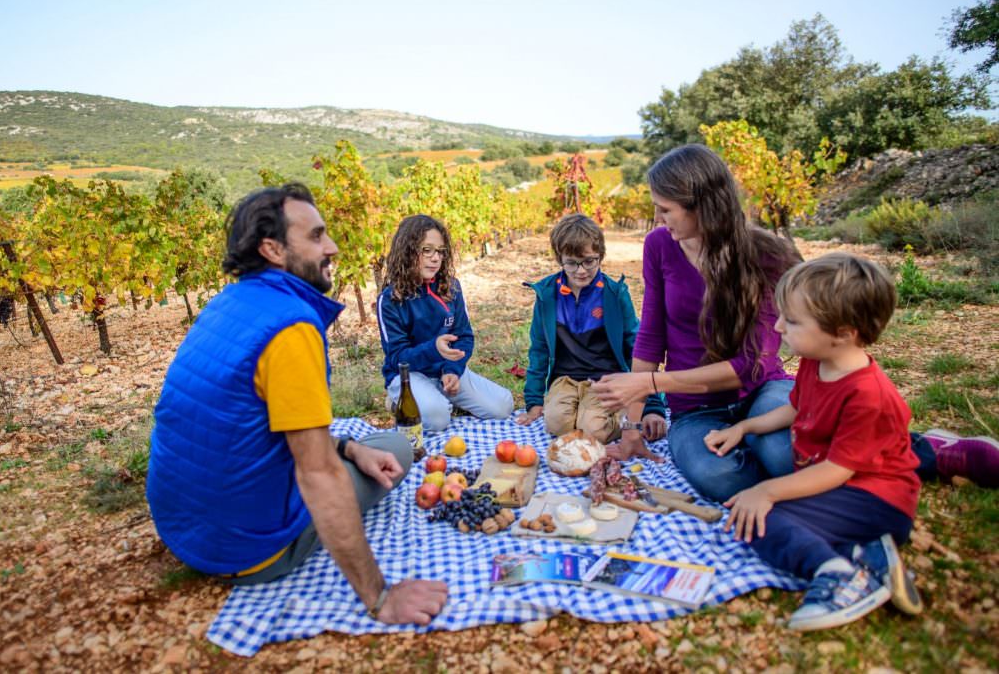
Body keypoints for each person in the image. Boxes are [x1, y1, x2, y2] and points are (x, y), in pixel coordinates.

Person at [146, 184, 447, 625]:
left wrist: (346, 448)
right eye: (316, 236)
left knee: (361, 444)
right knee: (398, 450)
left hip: (185, 530)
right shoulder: (292, 328)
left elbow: (252, 420)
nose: (333, 247)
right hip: (247, 549)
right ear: (272, 249)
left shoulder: (228, 303)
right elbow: (317, 474)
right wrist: (380, 598)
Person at [705, 253, 922, 631]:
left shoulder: (869, 396)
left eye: (792, 320)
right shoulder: (814, 360)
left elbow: (837, 472)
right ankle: (867, 555)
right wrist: (745, 428)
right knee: (753, 517)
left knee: (760, 517)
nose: (779, 326)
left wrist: (768, 491)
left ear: (843, 332)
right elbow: (793, 408)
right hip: (838, 489)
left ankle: (838, 574)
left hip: (876, 499)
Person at [593, 144, 801, 495]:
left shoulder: (764, 254)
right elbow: (651, 336)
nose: (658, 219)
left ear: (702, 206)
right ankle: (784, 481)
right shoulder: (659, 245)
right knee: (718, 475)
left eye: (666, 209)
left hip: (763, 391)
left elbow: (752, 364)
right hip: (695, 410)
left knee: (784, 454)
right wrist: (631, 427)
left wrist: (652, 384)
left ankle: (907, 449)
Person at [516, 213, 667, 442]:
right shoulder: (547, 295)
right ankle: (582, 410)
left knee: (594, 431)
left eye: (589, 261)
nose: (581, 271)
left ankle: (620, 409)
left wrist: (652, 406)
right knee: (556, 423)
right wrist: (534, 401)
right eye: (572, 263)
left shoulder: (614, 294)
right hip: (565, 379)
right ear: (560, 259)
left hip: (605, 379)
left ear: (601, 256)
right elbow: (539, 349)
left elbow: (636, 347)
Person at [376, 215, 514, 431]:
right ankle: (399, 401)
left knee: (503, 406)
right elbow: (396, 358)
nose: (435, 258)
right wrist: (434, 349)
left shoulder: (452, 288)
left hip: (444, 371)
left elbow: (464, 337)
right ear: (407, 251)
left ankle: (438, 395)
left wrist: (452, 369)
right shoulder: (391, 299)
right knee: (438, 419)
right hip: (409, 374)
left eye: (440, 251)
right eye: (426, 250)